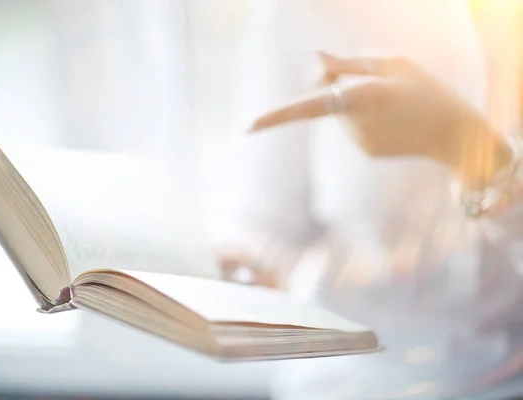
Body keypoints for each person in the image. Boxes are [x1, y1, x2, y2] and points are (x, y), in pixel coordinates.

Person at [211, 0, 523, 398]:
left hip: (505, 380)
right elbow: (267, 219)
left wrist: (462, 142)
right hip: (348, 381)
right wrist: (244, 261)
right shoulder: (301, 14)